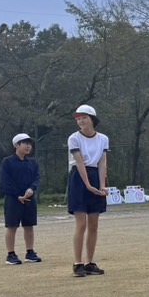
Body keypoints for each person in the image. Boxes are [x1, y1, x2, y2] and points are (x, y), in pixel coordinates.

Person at [67, 104, 109, 277]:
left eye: (84, 117)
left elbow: (102, 163)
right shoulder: (74, 138)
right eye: (78, 118)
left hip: (94, 175)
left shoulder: (103, 139)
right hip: (78, 177)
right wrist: (88, 185)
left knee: (93, 223)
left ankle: (89, 262)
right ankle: (78, 264)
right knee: (81, 223)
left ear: (92, 119)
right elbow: (79, 162)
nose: (81, 121)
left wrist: (101, 185)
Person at [0, 133, 41, 265]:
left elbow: (37, 178)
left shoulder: (32, 162)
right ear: (16, 145)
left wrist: (31, 190)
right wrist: (17, 195)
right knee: (12, 226)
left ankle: (30, 252)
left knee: (29, 226)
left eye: (30, 144)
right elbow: (5, 181)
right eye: (25, 143)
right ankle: (11, 254)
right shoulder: (7, 162)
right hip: (13, 199)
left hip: (29, 198)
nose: (28, 146)